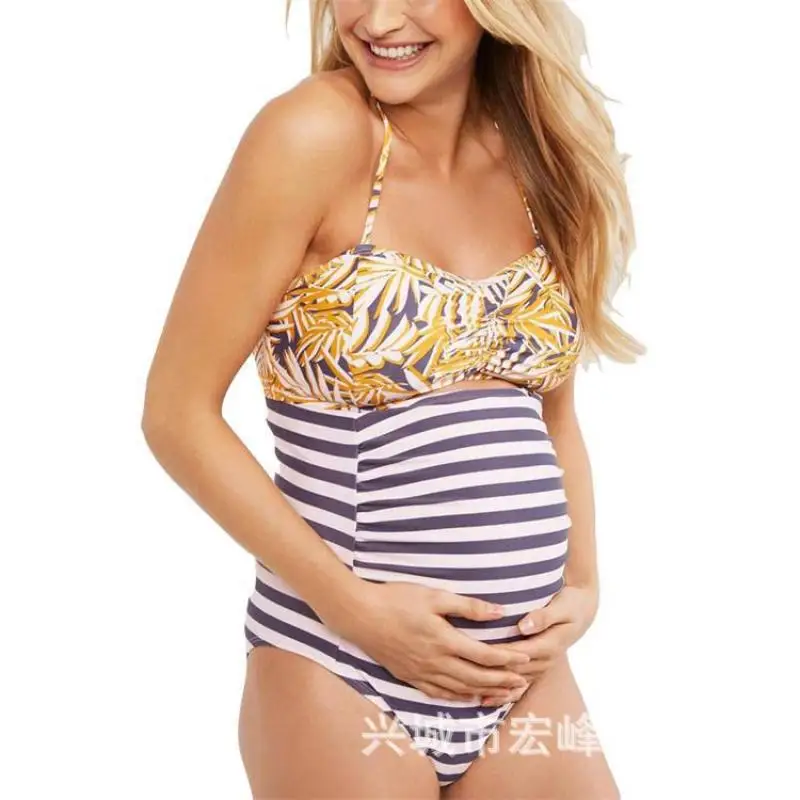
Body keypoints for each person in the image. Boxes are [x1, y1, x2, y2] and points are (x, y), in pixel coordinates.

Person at [142, 1, 641, 797]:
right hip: (343, 664)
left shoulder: (542, 154)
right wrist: (357, 612)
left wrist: (583, 585)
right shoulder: (313, 133)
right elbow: (176, 415)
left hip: (519, 673)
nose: (377, 19)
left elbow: (554, 416)